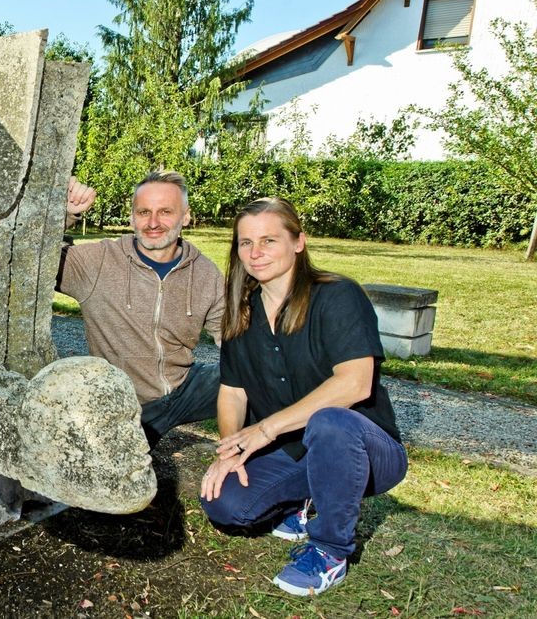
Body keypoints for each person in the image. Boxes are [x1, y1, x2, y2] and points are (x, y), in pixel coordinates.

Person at [199, 197, 407, 596]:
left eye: (268, 240)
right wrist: (229, 451)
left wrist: (264, 430)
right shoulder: (241, 312)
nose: (255, 253)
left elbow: (355, 383)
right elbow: (233, 391)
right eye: (245, 243)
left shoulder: (338, 295)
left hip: (364, 448)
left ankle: (330, 550)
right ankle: (306, 500)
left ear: (298, 242)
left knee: (329, 421)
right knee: (225, 504)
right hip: (294, 450)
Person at [58, 171, 224, 447]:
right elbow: (37, 263)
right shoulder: (97, 262)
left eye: (166, 212)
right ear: (133, 217)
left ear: (185, 216)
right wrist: (65, 216)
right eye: (144, 212)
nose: (154, 222)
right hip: (127, 403)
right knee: (111, 473)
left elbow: (234, 335)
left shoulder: (205, 271)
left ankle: (272, 469)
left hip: (184, 387)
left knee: (264, 376)